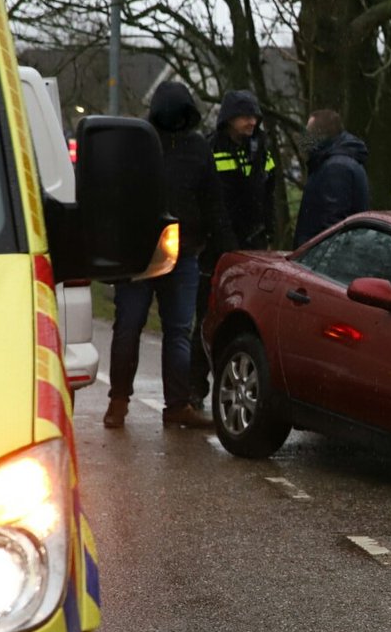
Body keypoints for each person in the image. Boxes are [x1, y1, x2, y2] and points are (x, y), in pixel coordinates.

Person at [103, 81, 232, 430]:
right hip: (155, 252)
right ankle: (130, 400)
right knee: (152, 329)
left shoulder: (149, 144)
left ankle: (158, 403)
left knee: (150, 328)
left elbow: (212, 201)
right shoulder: (165, 145)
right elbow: (212, 202)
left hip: (168, 252)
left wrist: (225, 248)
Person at [191, 88, 277, 405]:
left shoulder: (262, 149)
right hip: (217, 248)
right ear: (229, 119)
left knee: (246, 317)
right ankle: (195, 388)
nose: (251, 122)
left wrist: (268, 234)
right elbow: (211, 203)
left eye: (254, 116)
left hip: (253, 245)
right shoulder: (212, 149)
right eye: (245, 116)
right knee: (207, 316)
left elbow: (269, 195)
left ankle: (231, 389)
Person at [292, 108, 369, 248]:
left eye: (308, 133)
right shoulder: (337, 161)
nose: (305, 139)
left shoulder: (336, 167)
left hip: (324, 258)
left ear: (319, 135)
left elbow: (332, 225)